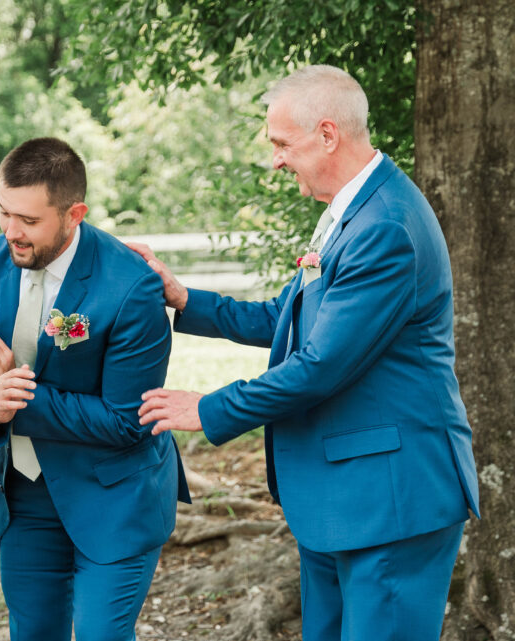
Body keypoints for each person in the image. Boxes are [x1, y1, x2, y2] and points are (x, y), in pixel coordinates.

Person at [133, 65, 479, 641]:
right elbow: (288, 319)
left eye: (280, 144)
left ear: (327, 134)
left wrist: (210, 408)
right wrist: (185, 300)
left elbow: (320, 367)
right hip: (342, 500)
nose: (275, 159)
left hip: (391, 501)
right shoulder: (349, 210)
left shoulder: (385, 226)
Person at [0, 137, 192, 641]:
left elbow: (127, 420)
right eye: (3, 213)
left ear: (74, 213)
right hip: (25, 493)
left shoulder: (129, 285)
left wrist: (19, 397)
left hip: (114, 495)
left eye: (29, 221)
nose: (11, 232)